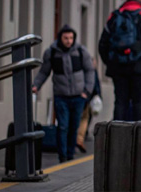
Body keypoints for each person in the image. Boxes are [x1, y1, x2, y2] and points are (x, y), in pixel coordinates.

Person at [32, 25, 95, 163]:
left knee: (74, 126)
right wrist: (36, 85)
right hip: (61, 96)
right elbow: (44, 72)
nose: (68, 41)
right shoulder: (52, 53)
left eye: (71, 38)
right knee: (63, 126)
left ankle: (71, 154)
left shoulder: (80, 51)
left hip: (79, 97)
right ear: (60, 38)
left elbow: (90, 71)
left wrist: (87, 92)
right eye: (66, 38)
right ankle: (63, 156)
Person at [76, 57, 101, 153]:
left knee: (82, 118)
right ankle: (79, 139)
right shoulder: (91, 72)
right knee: (84, 118)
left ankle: (79, 138)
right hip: (86, 97)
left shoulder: (83, 71)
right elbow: (96, 86)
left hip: (83, 97)